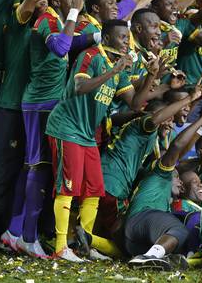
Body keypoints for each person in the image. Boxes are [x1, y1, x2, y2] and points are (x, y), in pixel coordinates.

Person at [0, 0, 75, 253]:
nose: (43, 2)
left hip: (33, 106)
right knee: (2, 172)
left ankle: (15, 232)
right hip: (11, 105)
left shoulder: (49, 25)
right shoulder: (21, 21)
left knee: (30, 170)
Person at [43, 19, 156, 261]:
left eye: (128, 38)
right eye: (121, 37)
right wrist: (114, 71)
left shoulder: (118, 66)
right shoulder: (91, 56)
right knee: (67, 188)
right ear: (106, 38)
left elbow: (135, 104)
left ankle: (84, 244)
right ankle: (61, 247)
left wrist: (152, 76)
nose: (127, 42)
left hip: (87, 135)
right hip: (67, 128)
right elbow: (80, 87)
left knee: (94, 189)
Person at [125, 100, 202, 270]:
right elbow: (177, 147)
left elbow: (180, 159)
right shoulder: (160, 174)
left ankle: (152, 254)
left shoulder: (159, 189)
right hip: (143, 220)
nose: (180, 181)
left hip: (134, 241)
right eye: (176, 176)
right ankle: (149, 257)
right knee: (178, 230)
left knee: (181, 238)